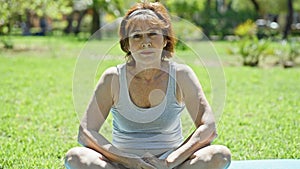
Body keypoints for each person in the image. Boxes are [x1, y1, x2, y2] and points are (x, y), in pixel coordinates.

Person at [65, 1, 231, 169]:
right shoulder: (113, 78)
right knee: (76, 157)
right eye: (137, 36)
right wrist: (128, 160)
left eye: (152, 34)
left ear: (165, 40)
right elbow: (86, 132)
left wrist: (169, 162)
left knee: (219, 155)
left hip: (171, 165)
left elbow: (209, 127)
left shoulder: (181, 75)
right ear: (127, 44)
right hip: (122, 164)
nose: (145, 42)